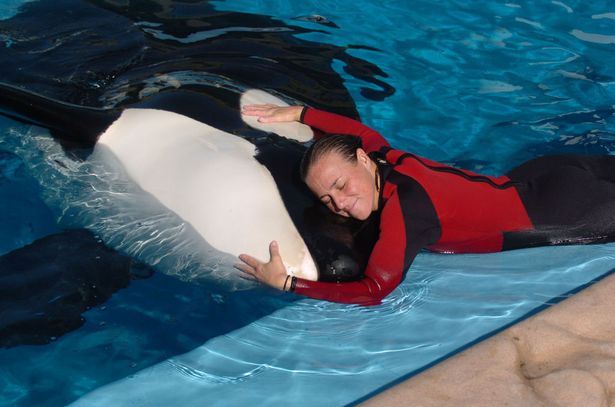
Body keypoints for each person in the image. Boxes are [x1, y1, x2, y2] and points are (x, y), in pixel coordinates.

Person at [235, 104, 615, 305]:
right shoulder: (390, 158)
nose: (340, 204)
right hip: (546, 173)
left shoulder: (407, 210)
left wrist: (288, 283)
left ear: (364, 162)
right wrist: (302, 114)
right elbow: (361, 133)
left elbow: (373, 291)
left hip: (573, 214)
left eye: (341, 185)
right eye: (327, 199)